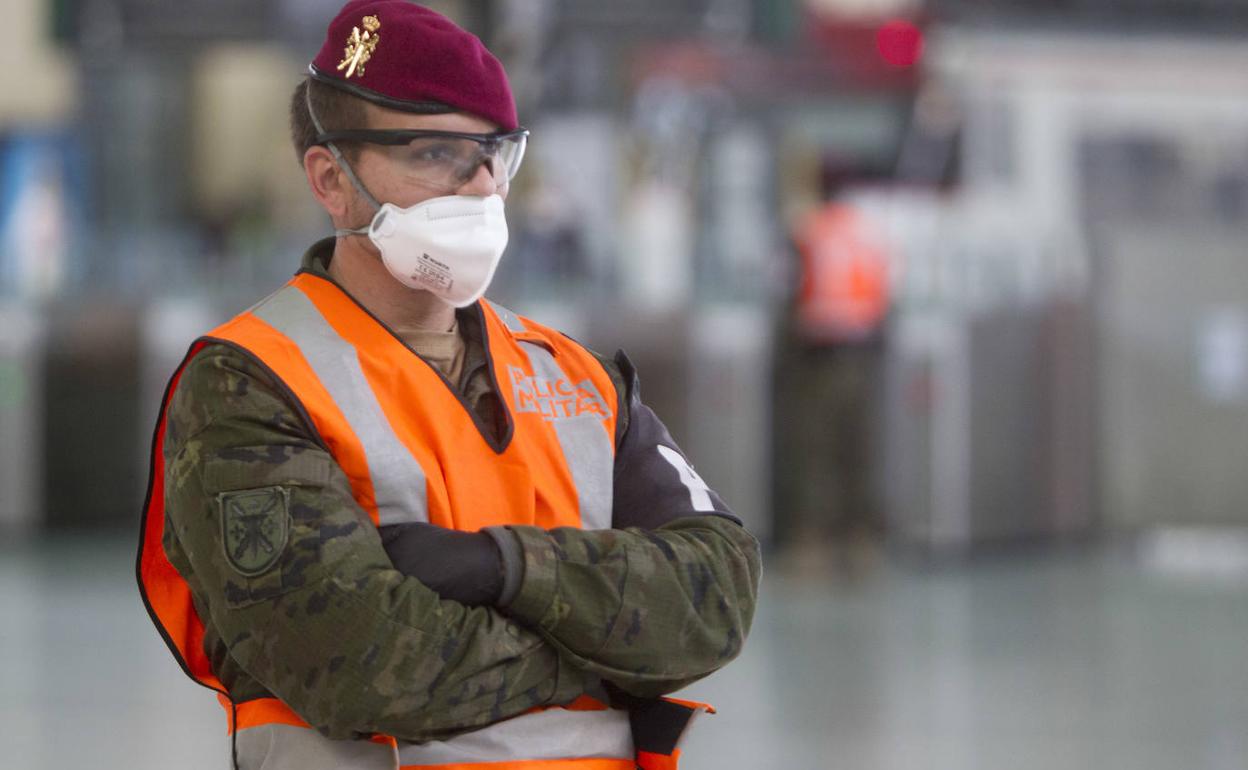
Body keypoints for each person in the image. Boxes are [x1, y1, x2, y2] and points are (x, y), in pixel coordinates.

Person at [136, 2, 761, 769]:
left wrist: (504, 567)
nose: (480, 187)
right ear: (332, 179)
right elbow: (365, 667)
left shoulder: (576, 378)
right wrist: (611, 658)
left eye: (497, 153)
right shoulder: (252, 383)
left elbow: (719, 595)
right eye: (434, 153)